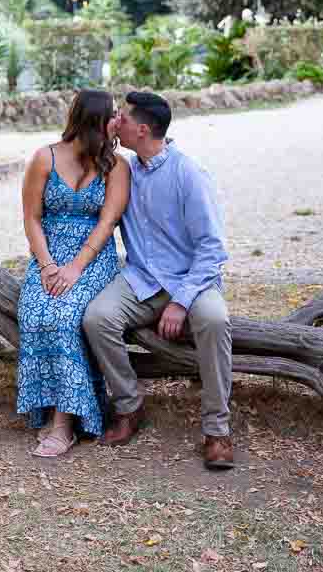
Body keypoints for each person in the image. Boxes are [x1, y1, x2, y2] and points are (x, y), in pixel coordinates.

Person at [83, 90, 234, 470]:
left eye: (123, 118)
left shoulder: (188, 174)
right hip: (142, 279)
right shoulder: (123, 170)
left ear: (143, 129)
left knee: (215, 321)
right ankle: (130, 406)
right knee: (97, 319)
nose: (118, 122)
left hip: (193, 281)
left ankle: (217, 430)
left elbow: (212, 249)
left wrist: (182, 301)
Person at [16, 89, 130, 457]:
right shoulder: (44, 157)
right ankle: (47, 408)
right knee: (35, 314)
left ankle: (63, 424)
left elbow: (108, 220)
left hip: (93, 258)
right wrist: (48, 265)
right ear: (94, 120)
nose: (119, 120)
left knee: (65, 316)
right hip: (49, 255)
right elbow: (31, 218)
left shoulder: (117, 165)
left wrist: (76, 268)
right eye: (113, 114)